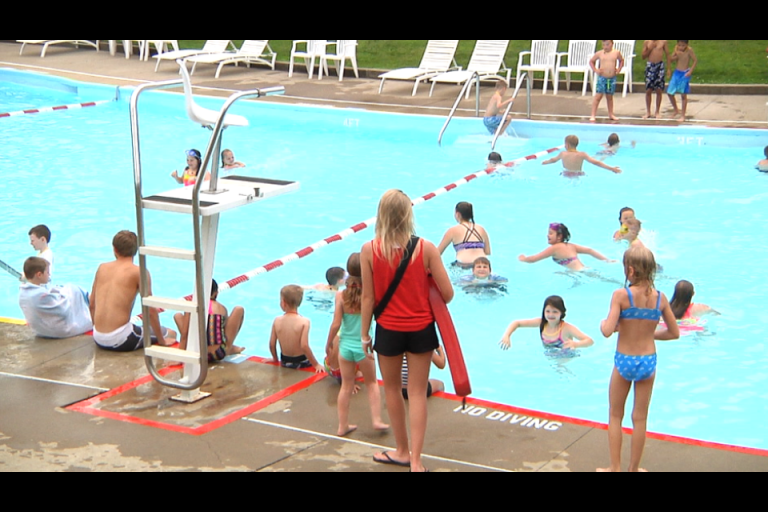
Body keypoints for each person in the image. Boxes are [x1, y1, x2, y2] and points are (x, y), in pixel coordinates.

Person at [361, 189, 454, 473]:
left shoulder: (369, 249)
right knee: (416, 393)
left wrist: (364, 334)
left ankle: (401, 451)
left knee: (392, 390)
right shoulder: (425, 248)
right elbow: (448, 294)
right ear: (408, 214)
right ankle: (416, 461)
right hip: (421, 329)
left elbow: (368, 297)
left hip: (388, 329)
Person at [598, 246, 679, 472]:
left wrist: (605, 325)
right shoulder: (660, 298)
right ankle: (633, 469)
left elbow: (606, 330)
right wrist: (647, 333)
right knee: (640, 418)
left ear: (630, 270)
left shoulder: (621, 295)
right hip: (648, 361)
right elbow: (674, 333)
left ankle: (614, 468)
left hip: (625, 359)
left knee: (615, 414)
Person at [325, 252, 388, 437]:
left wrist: (328, 343)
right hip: (364, 347)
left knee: (345, 386)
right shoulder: (370, 294)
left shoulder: (340, 295)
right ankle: (376, 419)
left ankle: (342, 425)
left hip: (345, 347)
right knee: (372, 383)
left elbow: (336, 324)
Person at [90, 230, 176, 352]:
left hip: (97, 336)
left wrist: (98, 331)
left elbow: (92, 304)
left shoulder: (102, 267)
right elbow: (150, 310)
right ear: (136, 250)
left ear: (114, 249)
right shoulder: (139, 272)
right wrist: (161, 340)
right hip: (120, 340)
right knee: (170, 333)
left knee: (137, 328)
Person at [18, 257, 92, 339]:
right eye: (47, 272)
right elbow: (62, 309)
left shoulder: (23, 293)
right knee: (74, 289)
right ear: (39, 274)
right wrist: (68, 294)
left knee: (62, 289)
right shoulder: (40, 295)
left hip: (40, 331)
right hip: (60, 331)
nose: (49, 275)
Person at [173, 279, 245, 363]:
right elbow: (222, 332)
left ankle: (229, 348)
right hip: (217, 354)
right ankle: (229, 348)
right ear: (216, 293)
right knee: (238, 309)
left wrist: (180, 357)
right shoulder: (221, 308)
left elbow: (184, 335)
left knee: (177, 316)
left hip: (196, 353)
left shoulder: (191, 306)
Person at [499, 295, 594, 356]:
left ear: (561, 313)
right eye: (547, 311)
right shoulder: (542, 323)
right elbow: (517, 323)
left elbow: (590, 341)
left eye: (555, 312)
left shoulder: (566, 328)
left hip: (566, 357)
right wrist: (507, 336)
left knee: (560, 369)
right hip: (549, 356)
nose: (551, 315)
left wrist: (576, 344)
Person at [268, 284, 323, 373]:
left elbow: (271, 344)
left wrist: (275, 359)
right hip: (302, 362)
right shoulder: (304, 321)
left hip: (285, 362)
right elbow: (304, 346)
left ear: (283, 302)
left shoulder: (277, 320)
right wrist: (316, 364)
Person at [519, 223, 614, 271]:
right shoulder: (571, 245)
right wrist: (607, 260)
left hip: (578, 274)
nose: (547, 235)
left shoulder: (554, 248)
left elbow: (534, 259)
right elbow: (590, 250)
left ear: (559, 236)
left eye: (551, 233)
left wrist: (524, 259)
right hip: (584, 269)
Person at [437, 201, 492, 269]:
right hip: (483, 265)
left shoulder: (452, 230)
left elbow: (437, 253)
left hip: (463, 265)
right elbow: (487, 252)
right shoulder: (481, 229)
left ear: (458, 214)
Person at [542, 135, 621, 177]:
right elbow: (596, 162)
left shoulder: (563, 154)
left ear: (567, 145)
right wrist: (611, 168)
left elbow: (553, 160)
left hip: (566, 174)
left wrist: (546, 162)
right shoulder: (582, 154)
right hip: (578, 174)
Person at [589, 40, 624, 122]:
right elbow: (591, 61)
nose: (605, 47)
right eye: (604, 45)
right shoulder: (600, 53)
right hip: (602, 78)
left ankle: (611, 114)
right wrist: (596, 70)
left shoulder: (616, 53)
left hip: (611, 78)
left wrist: (619, 69)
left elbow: (621, 60)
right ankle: (593, 114)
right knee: (598, 96)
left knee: (609, 97)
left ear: (612, 44)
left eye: (607, 45)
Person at [667, 40, 698, 122]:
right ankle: (676, 109)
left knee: (683, 95)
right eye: (679, 45)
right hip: (677, 73)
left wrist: (690, 71)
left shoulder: (689, 50)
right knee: (670, 92)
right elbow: (671, 59)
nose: (681, 47)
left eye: (683, 45)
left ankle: (683, 115)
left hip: (684, 74)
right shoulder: (676, 49)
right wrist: (675, 55)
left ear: (686, 45)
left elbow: (695, 60)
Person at [642, 40, 669, 120]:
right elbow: (643, 56)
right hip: (650, 66)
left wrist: (669, 69)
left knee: (659, 90)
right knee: (648, 90)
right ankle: (648, 112)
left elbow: (667, 55)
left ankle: (657, 111)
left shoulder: (663, 42)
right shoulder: (647, 42)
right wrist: (649, 49)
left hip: (659, 66)